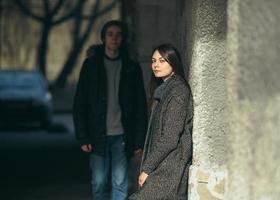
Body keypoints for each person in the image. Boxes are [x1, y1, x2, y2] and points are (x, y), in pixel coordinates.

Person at [73, 20, 147, 200]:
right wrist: (83, 136)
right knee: (99, 183)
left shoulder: (131, 67)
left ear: (123, 39)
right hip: (97, 134)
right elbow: (80, 102)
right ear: (103, 38)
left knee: (120, 183)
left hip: (122, 136)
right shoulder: (90, 66)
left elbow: (140, 106)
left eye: (118, 35)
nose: (114, 38)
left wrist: (138, 140)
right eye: (110, 34)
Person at [129, 44, 194, 200]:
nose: (156, 65)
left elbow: (170, 137)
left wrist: (147, 168)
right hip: (163, 164)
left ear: (173, 62)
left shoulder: (177, 91)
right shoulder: (164, 89)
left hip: (170, 166)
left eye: (162, 60)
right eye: (153, 61)